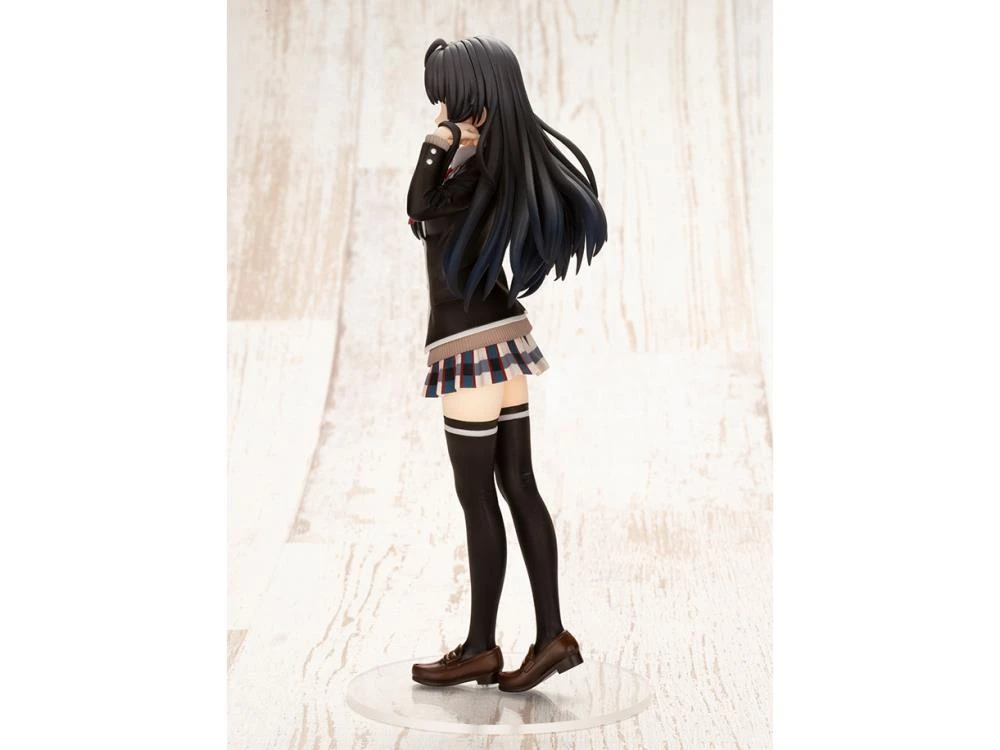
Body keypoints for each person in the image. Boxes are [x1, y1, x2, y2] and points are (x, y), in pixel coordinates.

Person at [406, 35, 607, 693]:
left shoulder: (465, 166)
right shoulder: (489, 164)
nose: (440, 111)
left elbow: (416, 206)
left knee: (478, 497)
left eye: (448, 98)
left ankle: (480, 647)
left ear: (476, 101)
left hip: (468, 346)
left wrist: (439, 141)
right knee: (518, 482)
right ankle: (551, 636)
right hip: (503, 342)